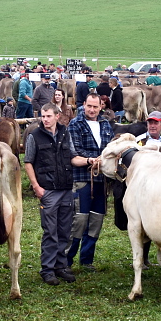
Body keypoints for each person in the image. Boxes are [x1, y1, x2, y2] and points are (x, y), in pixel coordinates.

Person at [24, 103, 90, 286]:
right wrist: (36, 187)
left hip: (66, 189)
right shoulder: (34, 136)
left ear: (57, 116)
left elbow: (73, 158)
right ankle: (47, 269)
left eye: (48, 116)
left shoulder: (65, 133)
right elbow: (28, 162)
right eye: (42, 116)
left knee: (64, 230)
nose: (45, 119)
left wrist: (89, 160)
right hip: (48, 191)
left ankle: (60, 267)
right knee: (50, 231)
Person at [67, 93, 114, 270]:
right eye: (89, 106)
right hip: (82, 179)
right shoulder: (75, 124)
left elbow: (110, 148)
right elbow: (75, 151)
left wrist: (104, 161)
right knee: (79, 220)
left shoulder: (105, 124)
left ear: (101, 106)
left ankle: (87, 259)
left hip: (102, 179)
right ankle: (67, 260)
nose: (92, 110)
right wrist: (97, 159)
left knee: (96, 220)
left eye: (96, 107)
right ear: (84, 105)